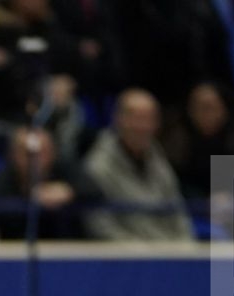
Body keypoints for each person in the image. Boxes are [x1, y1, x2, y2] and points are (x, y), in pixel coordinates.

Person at [80, 87, 191, 241]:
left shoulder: (158, 157)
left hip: (170, 253)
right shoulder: (97, 166)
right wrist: (142, 254)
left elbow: (178, 212)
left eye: (148, 119)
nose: (142, 126)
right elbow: (100, 226)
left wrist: (186, 248)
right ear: (118, 119)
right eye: (135, 118)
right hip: (127, 259)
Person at [0, 123, 84, 239]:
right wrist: (29, 195)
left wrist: (69, 191)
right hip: (12, 249)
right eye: (28, 154)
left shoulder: (65, 170)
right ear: (13, 155)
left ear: (52, 154)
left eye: (43, 153)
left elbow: (95, 189)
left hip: (63, 248)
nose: (35, 160)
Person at [163, 80, 234, 202]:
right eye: (196, 107)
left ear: (223, 110)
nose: (203, 113)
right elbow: (173, 185)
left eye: (209, 107)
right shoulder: (176, 143)